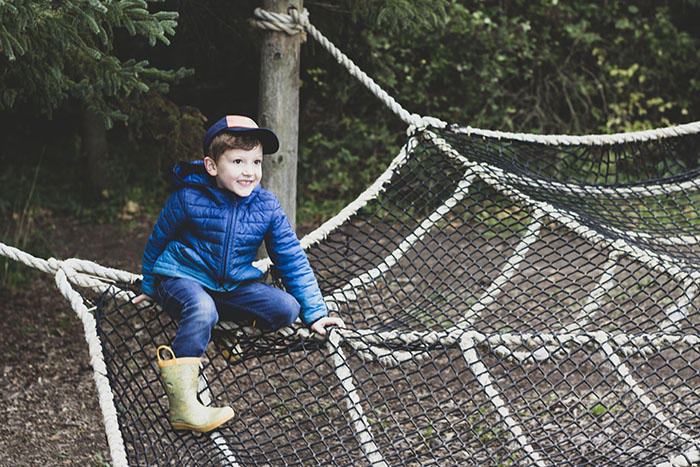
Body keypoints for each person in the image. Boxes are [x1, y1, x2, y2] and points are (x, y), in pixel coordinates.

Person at [133, 115, 346, 432]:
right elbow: (158, 240)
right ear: (211, 166)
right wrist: (150, 286)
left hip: (230, 286)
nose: (250, 171)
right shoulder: (187, 197)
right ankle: (183, 408)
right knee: (202, 308)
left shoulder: (267, 206)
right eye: (237, 161)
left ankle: (221, 329)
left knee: (287, 308)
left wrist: (316, 313)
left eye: (256, 161)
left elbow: (291, 259)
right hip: (181, 277)